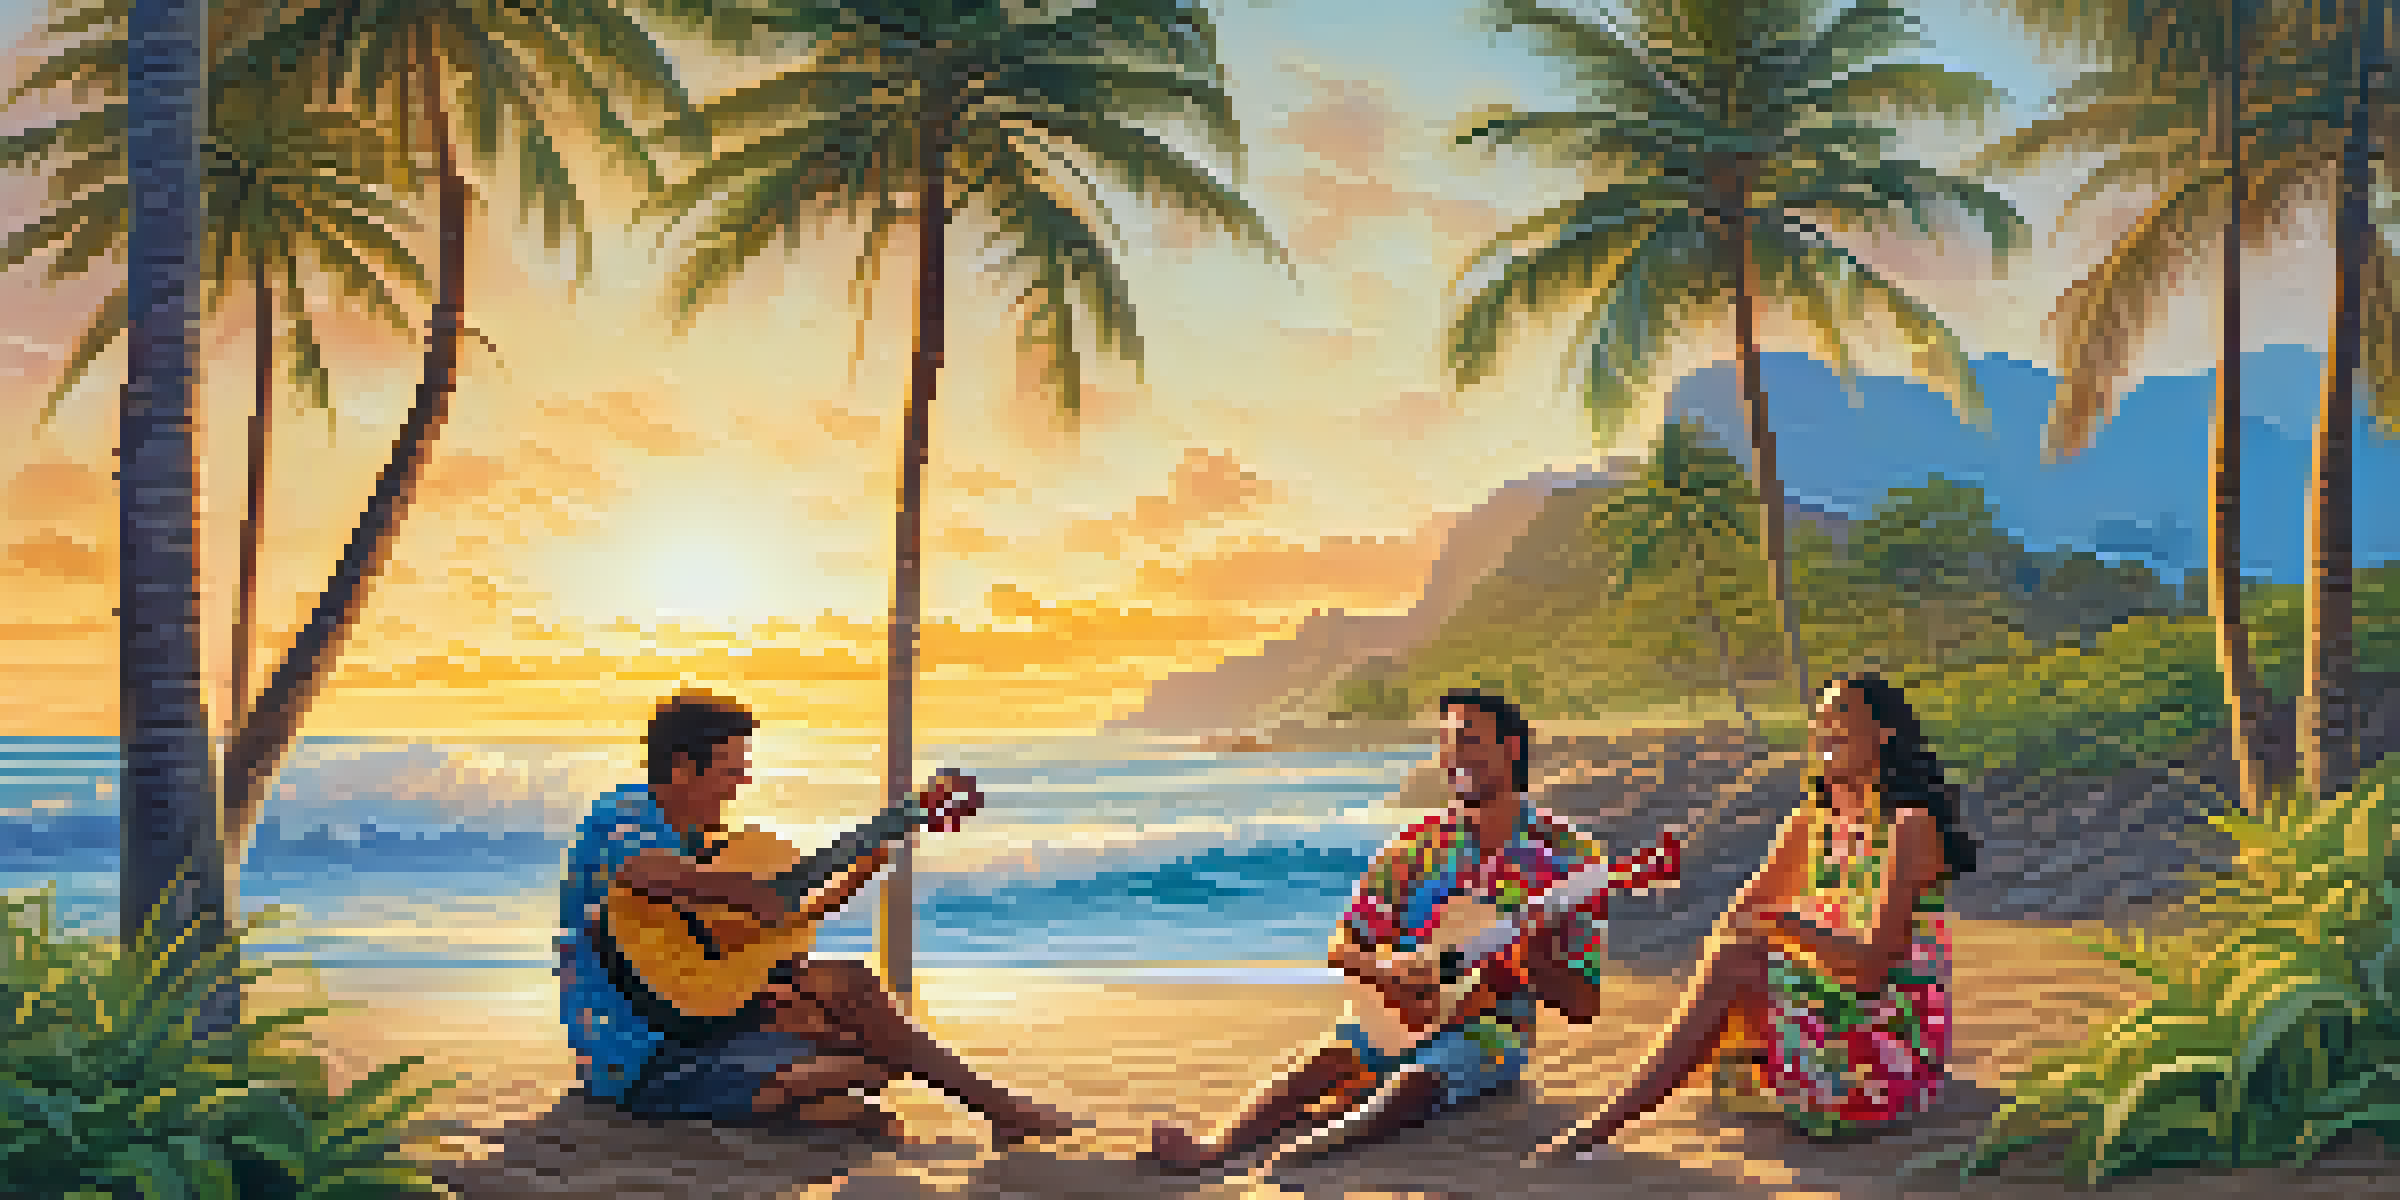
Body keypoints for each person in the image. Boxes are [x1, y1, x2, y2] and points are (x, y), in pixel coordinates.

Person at [556, 689, 1079, 1144]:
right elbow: (643, 873)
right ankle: (993, 1110)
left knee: (862, 1014)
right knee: (874, 1058)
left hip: (704, 1021)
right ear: (680, 769)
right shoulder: (622, 815)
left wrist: (887, 836)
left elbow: (777, 922)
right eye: (729, 771)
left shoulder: (705, 843)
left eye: (743, 770)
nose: (739, 784)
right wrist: (746, 891)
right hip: (640, 1059)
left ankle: (803, 1093)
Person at [1148, 689, 1613, 1171]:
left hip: (1493, 1030)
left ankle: (1321, 1144)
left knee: (1419, 1079)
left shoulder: (1570, 860)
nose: (1454, 757)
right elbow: (1343, 945)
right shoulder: (1414, 846)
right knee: (1325, 1063)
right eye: (1447, 743)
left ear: (1512, 748)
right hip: (1399, 1010)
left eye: (1470, 741)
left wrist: (1529, 959)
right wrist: (1389, 973)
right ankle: (1217, 1148)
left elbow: (1583, 1005)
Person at [1528, 672, 1977, 1164]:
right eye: (1820, 720)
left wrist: (1782, 927)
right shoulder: (1811, 823)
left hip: (1888, 1049)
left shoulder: (1910, 826)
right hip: (1833, 1007)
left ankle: (1604, 1124)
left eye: (1839, 717)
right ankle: (1665, 1095)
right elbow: (1739, 915)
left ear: (1884, 733)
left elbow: (1871, 969)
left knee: (1741, 959)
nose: (1824, 730)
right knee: (1732, 959)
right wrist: (1770, 935)